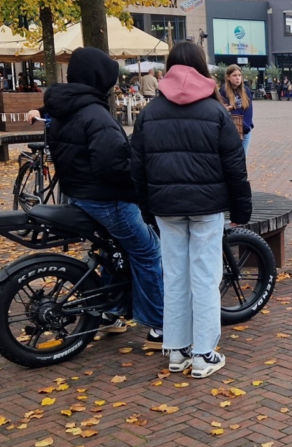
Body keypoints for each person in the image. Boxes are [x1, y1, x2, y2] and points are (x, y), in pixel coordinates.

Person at [130, 41, 251, 379]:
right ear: (201, 66)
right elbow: (235, 166)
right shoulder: (215, 111)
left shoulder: (150, 112)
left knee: (175, 277)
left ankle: (177, 349)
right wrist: (241, 209)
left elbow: (136, 167)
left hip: (166, 207)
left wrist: (146, 208)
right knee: (205, 277)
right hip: (207, 206)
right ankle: (203, 353)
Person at [40, 47, 164, 350]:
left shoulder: (62, 108)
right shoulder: (96, 114)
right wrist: (136, 178)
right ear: (99, 78)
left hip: (78, 194)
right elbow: (113, 167)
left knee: (113, 249)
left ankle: (112, 311)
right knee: (148, 252)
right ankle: (160, 326)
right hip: (108, 199)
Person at [220, 64, 254, 156]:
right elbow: (230, 112)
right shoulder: (224, 92)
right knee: (233, 158)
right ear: (228, 77)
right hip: (232, 131)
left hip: (246, 131)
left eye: (239, 75)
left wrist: (246, 126)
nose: (238, 78)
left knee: (243, 157)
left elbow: (249, 110)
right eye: (234, 75)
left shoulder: (246, 90)